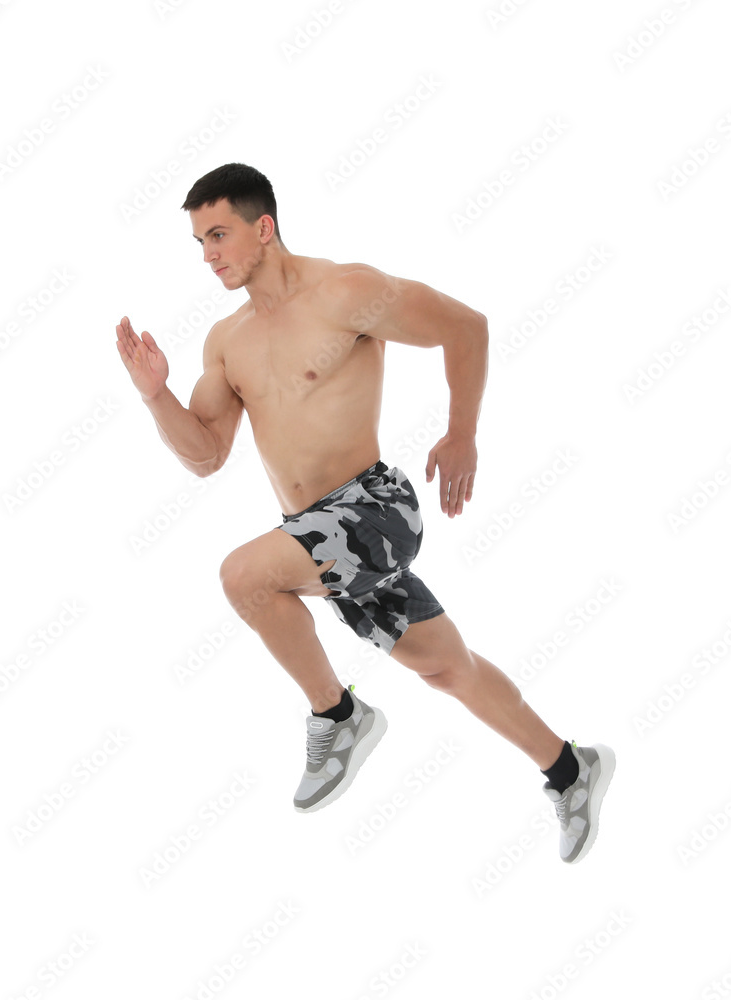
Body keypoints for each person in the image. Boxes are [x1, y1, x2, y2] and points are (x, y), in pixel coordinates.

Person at [115, 162, 615, 863]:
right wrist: (154, 395)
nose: (209, 255)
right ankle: (571, 768)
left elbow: (465, 328)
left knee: (244, 576)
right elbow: (204, 456)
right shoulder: (227, 343)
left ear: (264, 227)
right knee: (447, 668)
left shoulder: (344, 291)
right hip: (324, 545)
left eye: (219, 234)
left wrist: (462, 431)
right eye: (199, 241)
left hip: (374, 511)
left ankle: (338, 716)